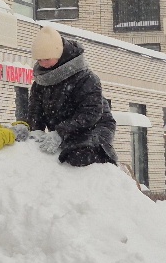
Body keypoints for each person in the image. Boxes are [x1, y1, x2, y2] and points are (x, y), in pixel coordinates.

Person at [19, 25, 118, 167]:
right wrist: (33, 129)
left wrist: (60, 132)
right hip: (65, 130)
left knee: (76, 156)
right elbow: (35, 111)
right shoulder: (40, 82)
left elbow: (91, 113)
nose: (43, 64)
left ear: (59, 54)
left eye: (47, 59)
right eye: (39, 60)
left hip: (94, 128)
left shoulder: (87, 79)